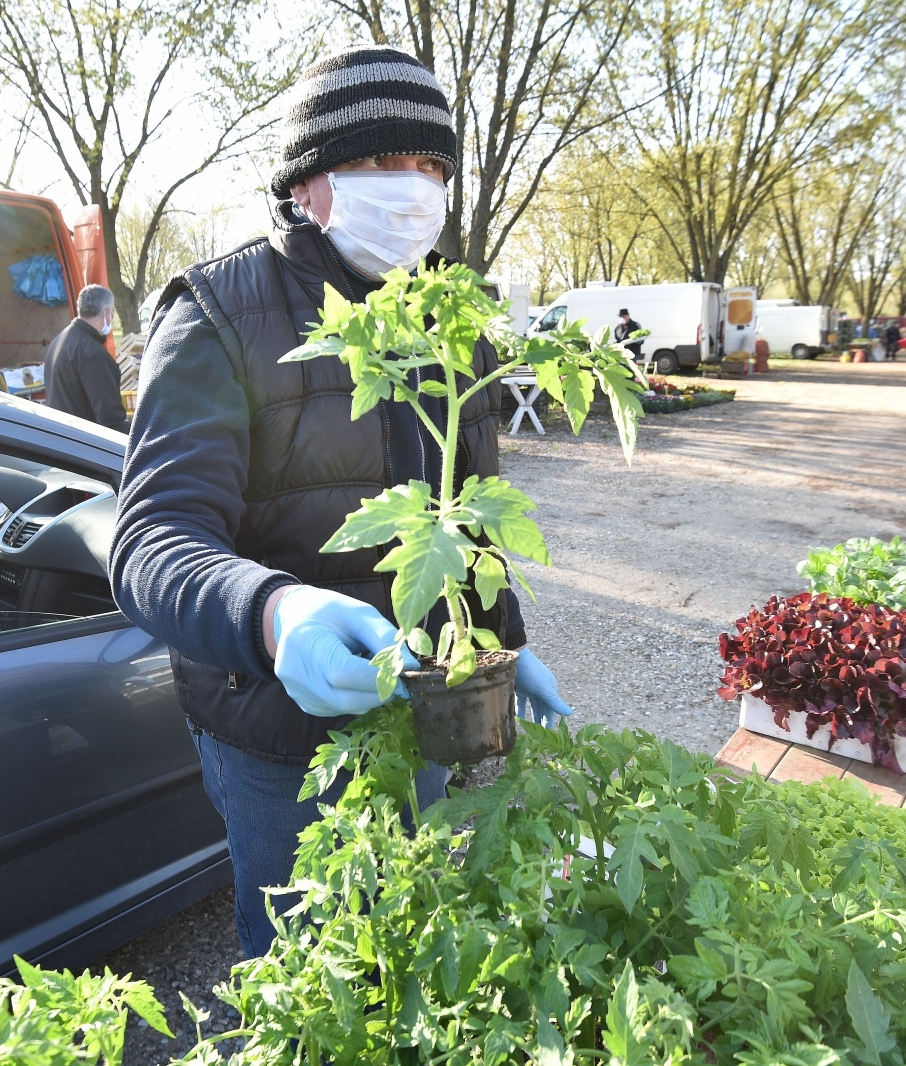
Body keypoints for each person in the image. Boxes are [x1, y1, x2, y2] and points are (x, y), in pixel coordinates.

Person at [110, 45, 573, 958]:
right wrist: (272, 615)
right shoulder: (219, 314)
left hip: (434, 707)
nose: (410, 189)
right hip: (282, 739)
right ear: (306, 181)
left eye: (429, 167)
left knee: (425, 951)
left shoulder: (457, 321)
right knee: (311, 970)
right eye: (377, 163)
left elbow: (465, 520)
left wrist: (502, 641)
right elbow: (152, 540)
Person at [44, 284, 130, 432]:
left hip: (60, 438)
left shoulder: (59, 341)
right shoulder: (92, 353)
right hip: (84, 445)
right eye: (113, 312)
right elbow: (111, 421)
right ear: (107, 312)